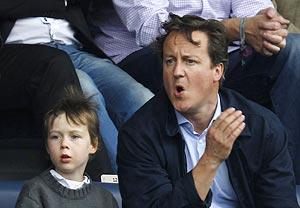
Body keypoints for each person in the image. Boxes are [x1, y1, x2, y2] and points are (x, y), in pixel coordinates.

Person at [91, 0, 300, 182]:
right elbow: (154, 28)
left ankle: (288, 180)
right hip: (150, 54)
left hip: (222, 53)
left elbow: (253, 8)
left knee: (294, 50)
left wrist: (265, 24)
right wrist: (237, 29)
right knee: (178, 53)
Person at [0, 0, 153, 171]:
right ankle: (122, 180)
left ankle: (167, 177)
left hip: (75, 49)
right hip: (25, 53)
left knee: (140, 96)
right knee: (86, 93)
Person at [15, 89, 118, 208]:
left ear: (93, 145)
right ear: (47, 146)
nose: (64, 143)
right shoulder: (35, 192)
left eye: (74, 136)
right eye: (55, 137)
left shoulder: (105, 199)